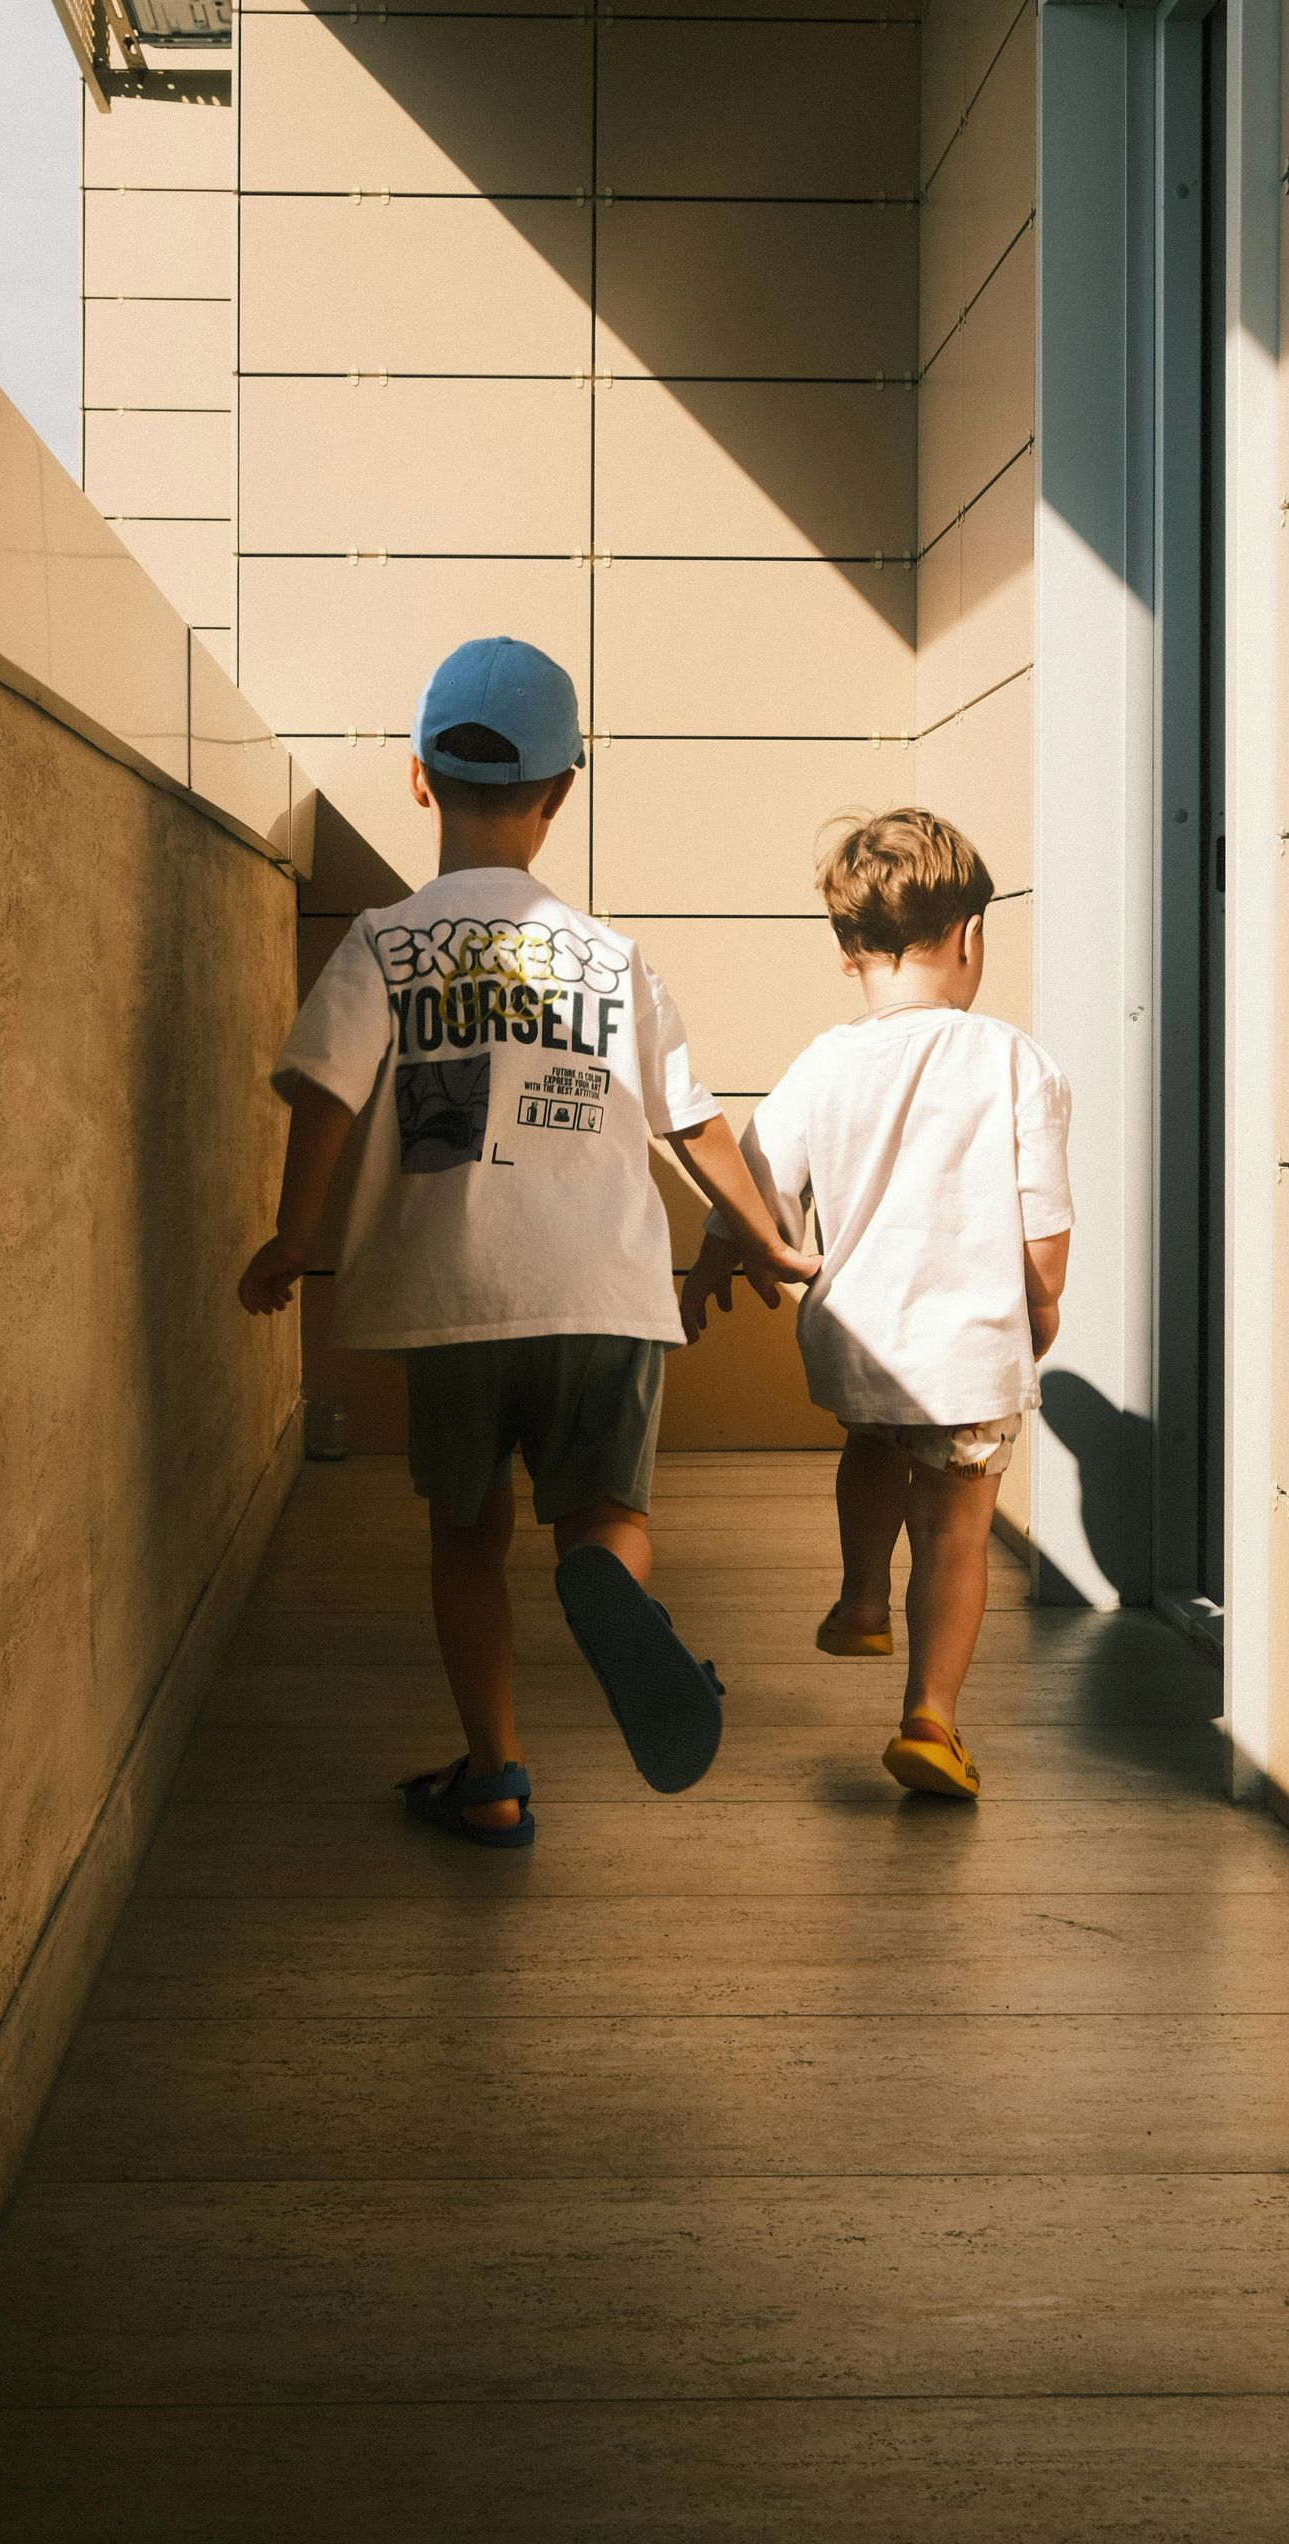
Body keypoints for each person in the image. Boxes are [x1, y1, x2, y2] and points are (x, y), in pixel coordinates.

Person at [238, 636, 818, 1848]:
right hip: (602, 1292)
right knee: (606, 1511)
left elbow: (328, 1100)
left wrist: (295, 1238)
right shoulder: (612, 957)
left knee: (467, 1533)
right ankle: (609, 1580)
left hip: (453, 1297)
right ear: (562, 793)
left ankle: (495, 1774)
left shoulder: (385, 942)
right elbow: (694, 1123)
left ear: (416, 779)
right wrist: (765, 1239)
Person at [681, 808, 1072, 1801]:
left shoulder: (824, 1062)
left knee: (873, 1447)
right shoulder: (1015, 1062)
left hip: (857, 1349)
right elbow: (1043, 1228)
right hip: (972, 1351)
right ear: (973, 937)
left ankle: (861, 1595)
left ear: (847, 951)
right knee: (954, 1531)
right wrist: (1043, 1306)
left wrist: (713, 1266)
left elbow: (753, 1185)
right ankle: (931, 1718)